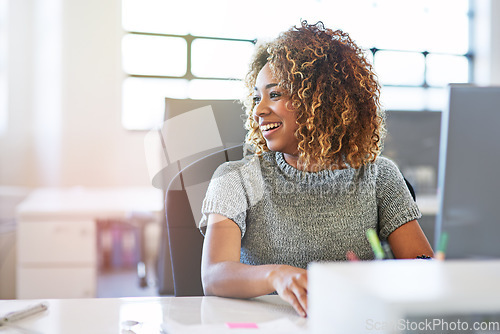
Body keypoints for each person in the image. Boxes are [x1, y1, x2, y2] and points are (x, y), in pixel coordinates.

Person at [199, 21, 434, 317]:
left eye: (275, 94)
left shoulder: (379, 176)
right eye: (257, 97)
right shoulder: (236, 179)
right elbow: (215, 275)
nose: (258, 109)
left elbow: (422, 265)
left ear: (320, 100)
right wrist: (277, 275)